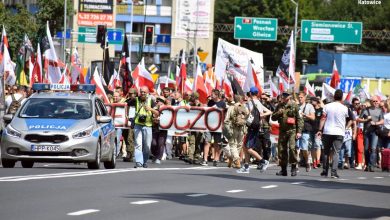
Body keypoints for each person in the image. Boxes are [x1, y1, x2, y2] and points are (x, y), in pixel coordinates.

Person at [237, 87, 272, 174]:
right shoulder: (259, 102)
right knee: (245, 146)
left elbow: (248, 113)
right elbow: (269, 111)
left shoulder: (250, 102)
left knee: (248, 148)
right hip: (256, 126)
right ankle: (246, 166)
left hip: (252, 127)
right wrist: (261, 115)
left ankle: (263, 161)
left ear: (250, 93)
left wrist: (243, 117)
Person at [317, 89, 349, 178]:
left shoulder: (327, 106)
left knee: (326, 152)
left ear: (334, 96)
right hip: (339, 132)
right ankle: (334, 172)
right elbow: (346, 119)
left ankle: (324, 171)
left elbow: (323, 118)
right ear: (342, 97)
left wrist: (320, 130)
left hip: (327, 131)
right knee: (336, 152)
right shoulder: (345, 108)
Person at [271, 92, 303, 177]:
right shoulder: (279, 106)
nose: (283, 97)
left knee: (292, 148)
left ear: (289, 97)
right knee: (281, 150)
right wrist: (278, 113)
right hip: (282, 131)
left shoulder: (294, 105)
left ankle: (293, 167)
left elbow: (300, 119)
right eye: (283, 95)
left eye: (286, 95)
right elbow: (273, 117)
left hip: (292, 130)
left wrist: (299, 131)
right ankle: (283, 169)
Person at [126, 86, 159, 168]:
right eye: (141, 92)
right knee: (138, 144)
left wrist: (150, 109)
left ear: (147, 93)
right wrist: (126, 115)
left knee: (147, 146)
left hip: (148, 125)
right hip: (138, 125)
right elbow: (127, 104)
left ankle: (144, 161)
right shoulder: (136, 99)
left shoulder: (151, 101)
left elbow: (157, 113)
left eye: (144, 92)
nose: (143, 93)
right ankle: (139, 162)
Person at [359, 95, 384, 172]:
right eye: (374, 101)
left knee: (373, 149)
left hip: (375, 132)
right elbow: (359, 119)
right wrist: (366, 119)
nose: (375, 103)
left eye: (377, 101)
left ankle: (371, 165)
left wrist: (375, 123)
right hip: (366, 132)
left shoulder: (380, 110)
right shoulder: (365, 110)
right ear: (371, 102)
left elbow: (382, 121)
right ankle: (367, 164)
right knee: (366, 149)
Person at [224, 95, 248, 169]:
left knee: (232, 145)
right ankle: (233, 159)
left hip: (233, 128)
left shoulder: (231, 107)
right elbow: (247, 117)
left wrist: (227, 129)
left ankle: (236, 160)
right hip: (241, 128)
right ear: (240, 100)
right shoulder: (244, 107)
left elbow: (226, 119)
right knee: (239, 145)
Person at [297, 91, 316, 172]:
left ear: (305, 98)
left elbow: (313, 117)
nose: (300, 98)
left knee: (304, 149)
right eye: (299, 97)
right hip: (297, 129)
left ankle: (307, 162)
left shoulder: (309, 106)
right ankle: (296, 164)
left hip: (306, 129)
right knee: (296, 148)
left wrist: (305, 115)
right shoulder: (297, 106)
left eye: (301, 97)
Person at [311, 97, 323, 169]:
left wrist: (321, 130)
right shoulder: (311, 110)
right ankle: (314, 161)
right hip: (311, 130)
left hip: (318, 130)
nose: (312, 102)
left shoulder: (321, 110)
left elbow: (323, 119)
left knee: (317, 145)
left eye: (313, 101)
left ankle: (318, 160)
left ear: (317, 102)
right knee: (312, 147)